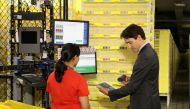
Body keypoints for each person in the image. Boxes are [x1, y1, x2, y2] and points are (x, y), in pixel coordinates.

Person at [97, 24, 161, 109]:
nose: (129, 47)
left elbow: (132, 87)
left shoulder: (145, 56)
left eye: (130, 42)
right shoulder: (147, 52)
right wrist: (132, 79)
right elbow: (145, 78)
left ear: (138, 37)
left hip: (145, 104)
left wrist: (110, 93)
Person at [46, 43, 91, 109]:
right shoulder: (79, 79)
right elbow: (85, 107)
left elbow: (50, 102)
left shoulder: (51, 76)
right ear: (75, 57)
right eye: (78, 56)